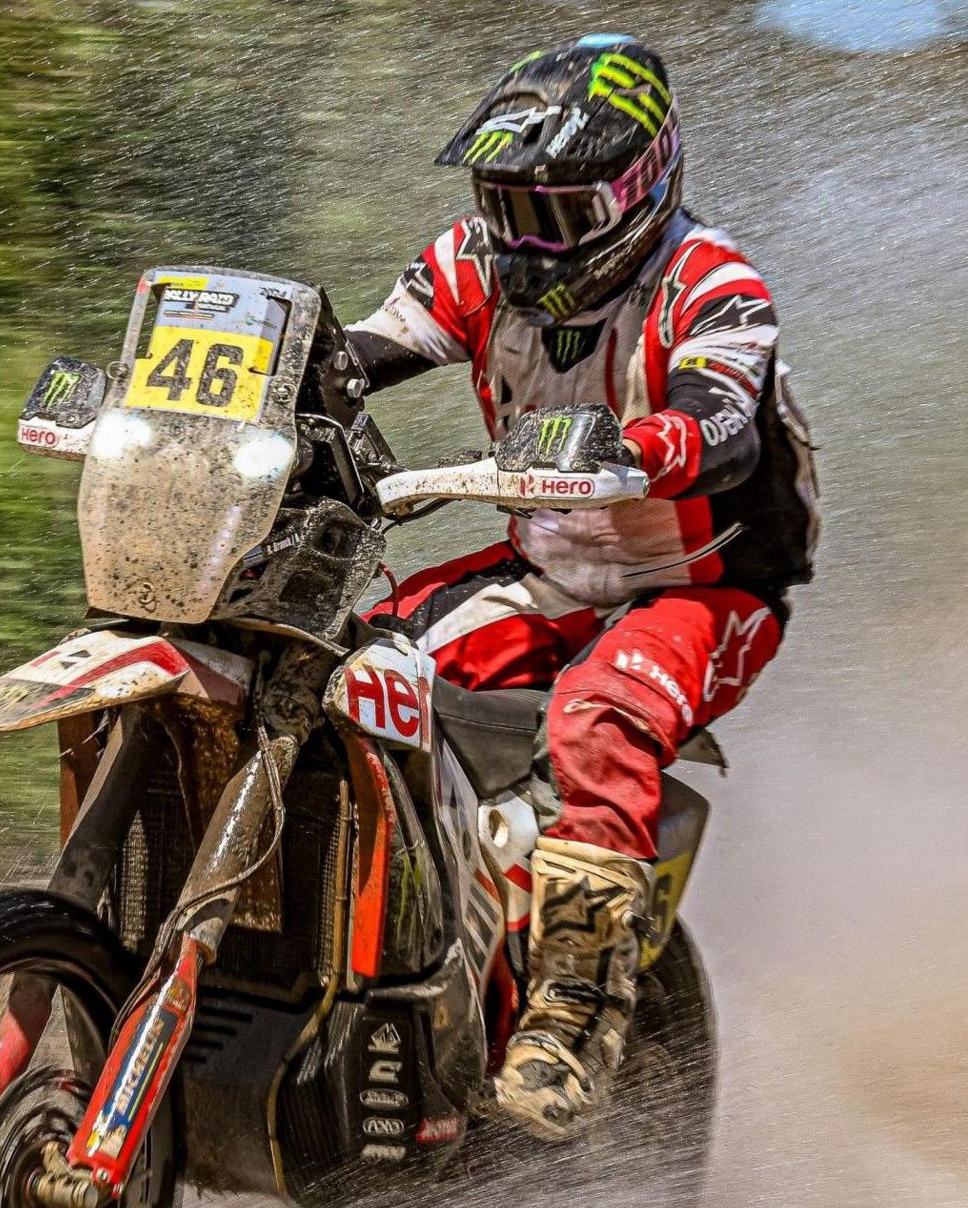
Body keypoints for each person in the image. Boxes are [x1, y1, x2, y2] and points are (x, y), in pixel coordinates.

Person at [348, 35, 819, 1141]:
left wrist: (638, 446)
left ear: (639, 189)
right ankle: (396, 952)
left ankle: (576, 1011)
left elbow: (724, 421)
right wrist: (245, 371)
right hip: (551, 565)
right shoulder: (472, 260)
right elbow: (359, 349)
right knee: (352, 671)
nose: (522, 237)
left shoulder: (713, 282)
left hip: (704, 585)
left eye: (552, 212)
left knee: (599, 713)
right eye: (504, 203)